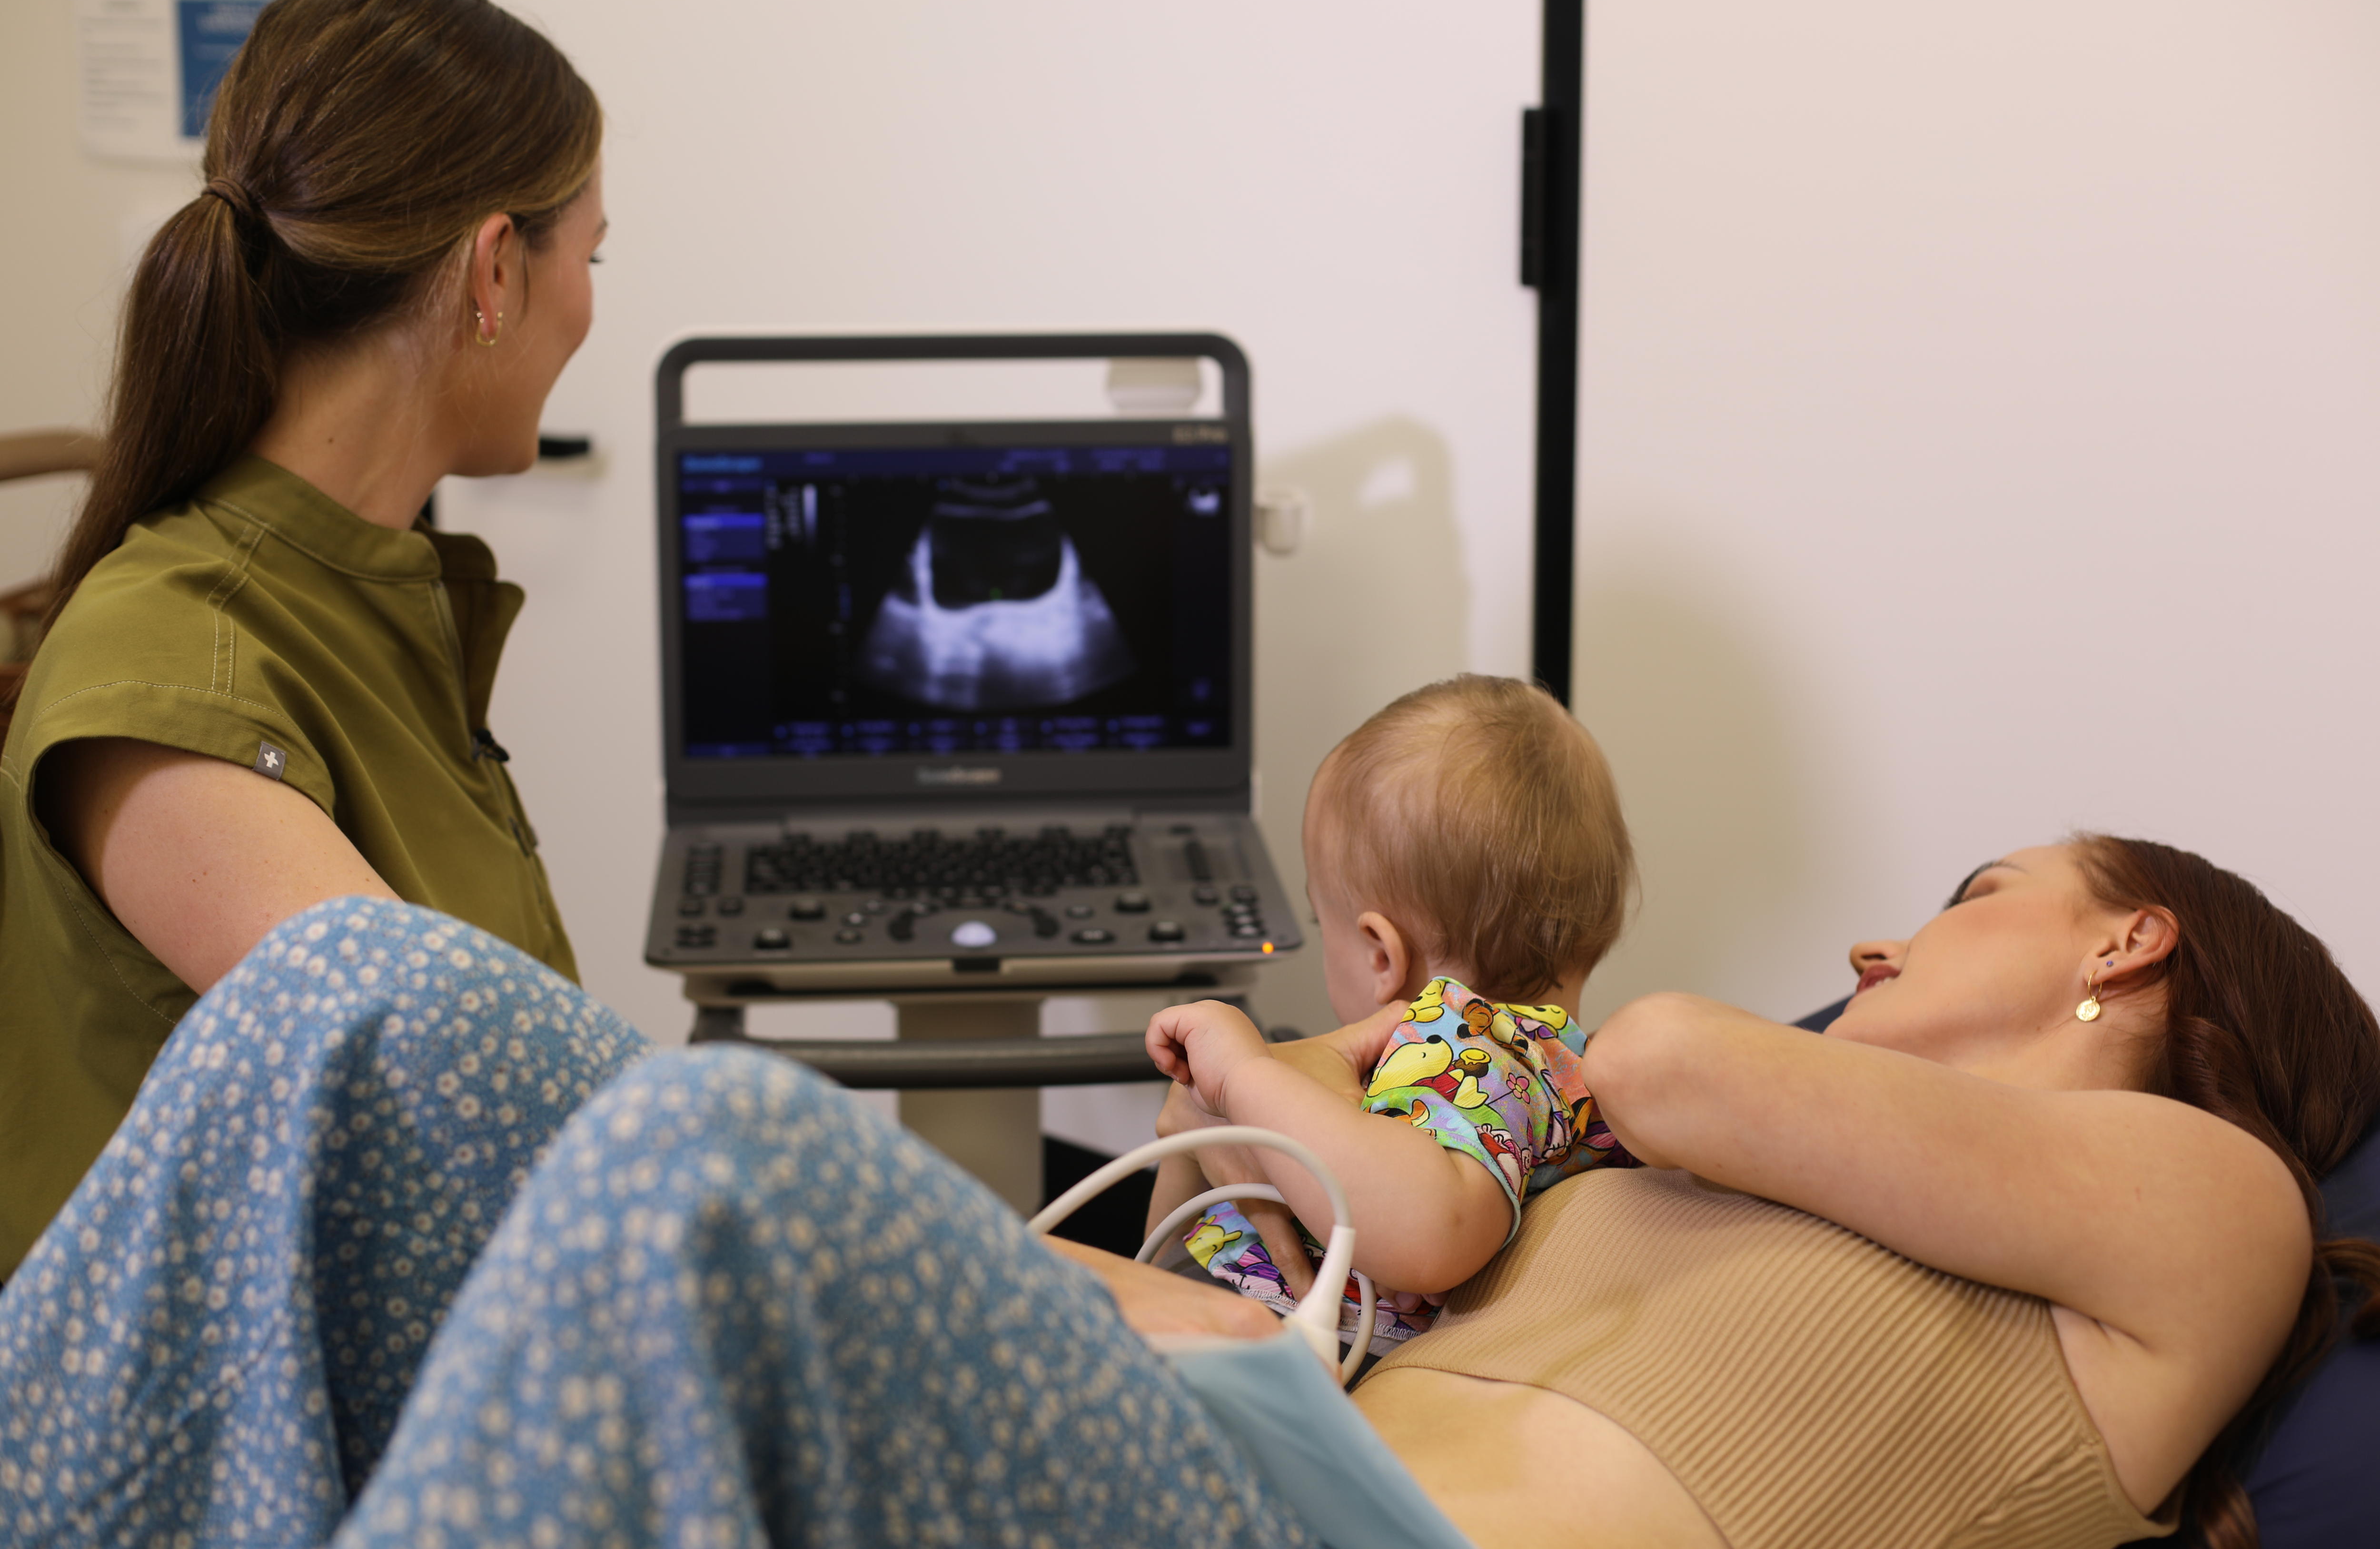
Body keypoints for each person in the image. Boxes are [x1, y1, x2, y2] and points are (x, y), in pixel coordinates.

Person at [5, 836, 2374, 1549]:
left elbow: (1659, 1048)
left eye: (1964, 893)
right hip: (1264, 1460)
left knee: (718, 1152)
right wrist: (1007, 1275)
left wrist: (1491, 1079)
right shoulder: (1681, 1170)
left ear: (2125, 944)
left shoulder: (2216, 1208)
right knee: (376, 997)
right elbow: (1287, 1341)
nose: (1875, 942)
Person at [0, 0, 606, 1275]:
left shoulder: (369, 603)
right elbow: (484, 1118)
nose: (591, 307)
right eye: (591, 256)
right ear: (496, 269)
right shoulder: (175, 663)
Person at [1143, 676, 1641, 1346]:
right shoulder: (1567, 1067)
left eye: (1323, 925)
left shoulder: (1474, 1045)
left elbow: (1429, 1236)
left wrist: (1242, 1076)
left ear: (1382, 954)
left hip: (1279, 1344)